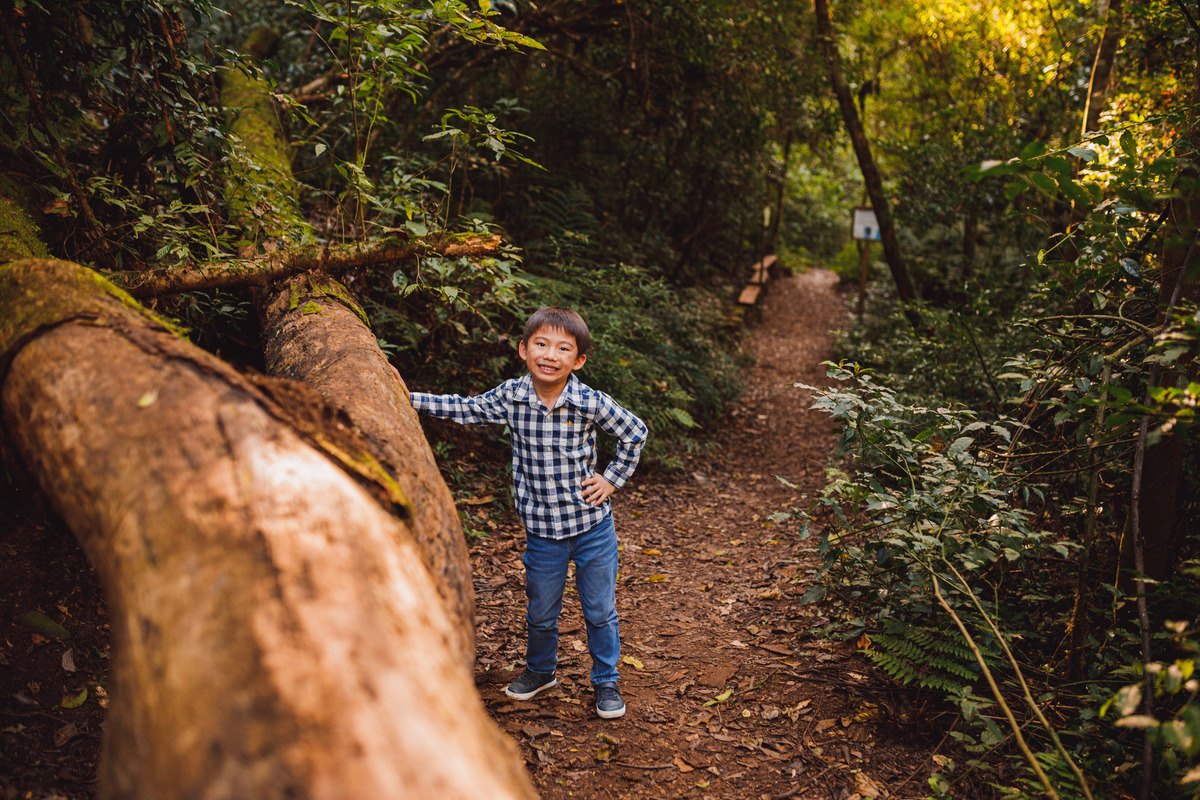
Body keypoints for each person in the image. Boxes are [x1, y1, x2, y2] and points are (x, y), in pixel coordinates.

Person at [409, 306, 648, 720]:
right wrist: (408, 397)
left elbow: (635, 433)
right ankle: (540, 671)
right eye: (541, 344)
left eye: (563, 348)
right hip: (542, 532)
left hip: (592, 528)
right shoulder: (511, 397)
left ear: (578, 360)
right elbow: (466, 408)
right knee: (540, 611)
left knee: (599, 611)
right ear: (523, 349)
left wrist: (611, 480)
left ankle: (606, 681)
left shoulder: (589, 402)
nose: (550, 355)